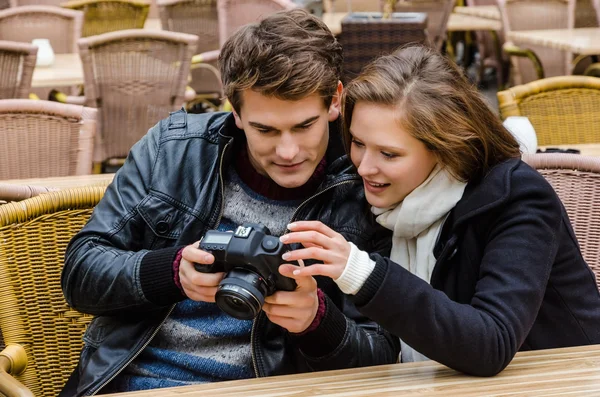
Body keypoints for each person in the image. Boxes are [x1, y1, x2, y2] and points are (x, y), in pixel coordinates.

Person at [60, 9, 399, 396]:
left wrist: (317, 322)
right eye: (265, 129)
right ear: (235, 111)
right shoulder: (174, 150)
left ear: (335, 101)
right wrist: (172, 271)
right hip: (128, 383)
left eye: (304, 126)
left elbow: (386, 359)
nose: (288, 151)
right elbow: (80, 273)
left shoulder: (366, 187)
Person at [280, 45, 600, 377]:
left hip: (565, 380)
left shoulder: (516, 197)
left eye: (389, 154)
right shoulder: (377, 197)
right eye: (359, 143)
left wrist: (362, 273)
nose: (364, 167)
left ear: (445, 147)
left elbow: (491, 343)